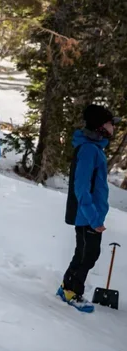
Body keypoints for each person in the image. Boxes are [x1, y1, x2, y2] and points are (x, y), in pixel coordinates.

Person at [58, 104, 118, 312]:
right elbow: (81, 188)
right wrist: (94, 219)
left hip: (91, 215)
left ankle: (66, 286)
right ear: (100, 127)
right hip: (87, 216)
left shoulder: (95, 149)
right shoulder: (88, 150)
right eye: (110, 124)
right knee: (87, 255)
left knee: (84, 254)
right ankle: (72, 292)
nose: (113, 128)